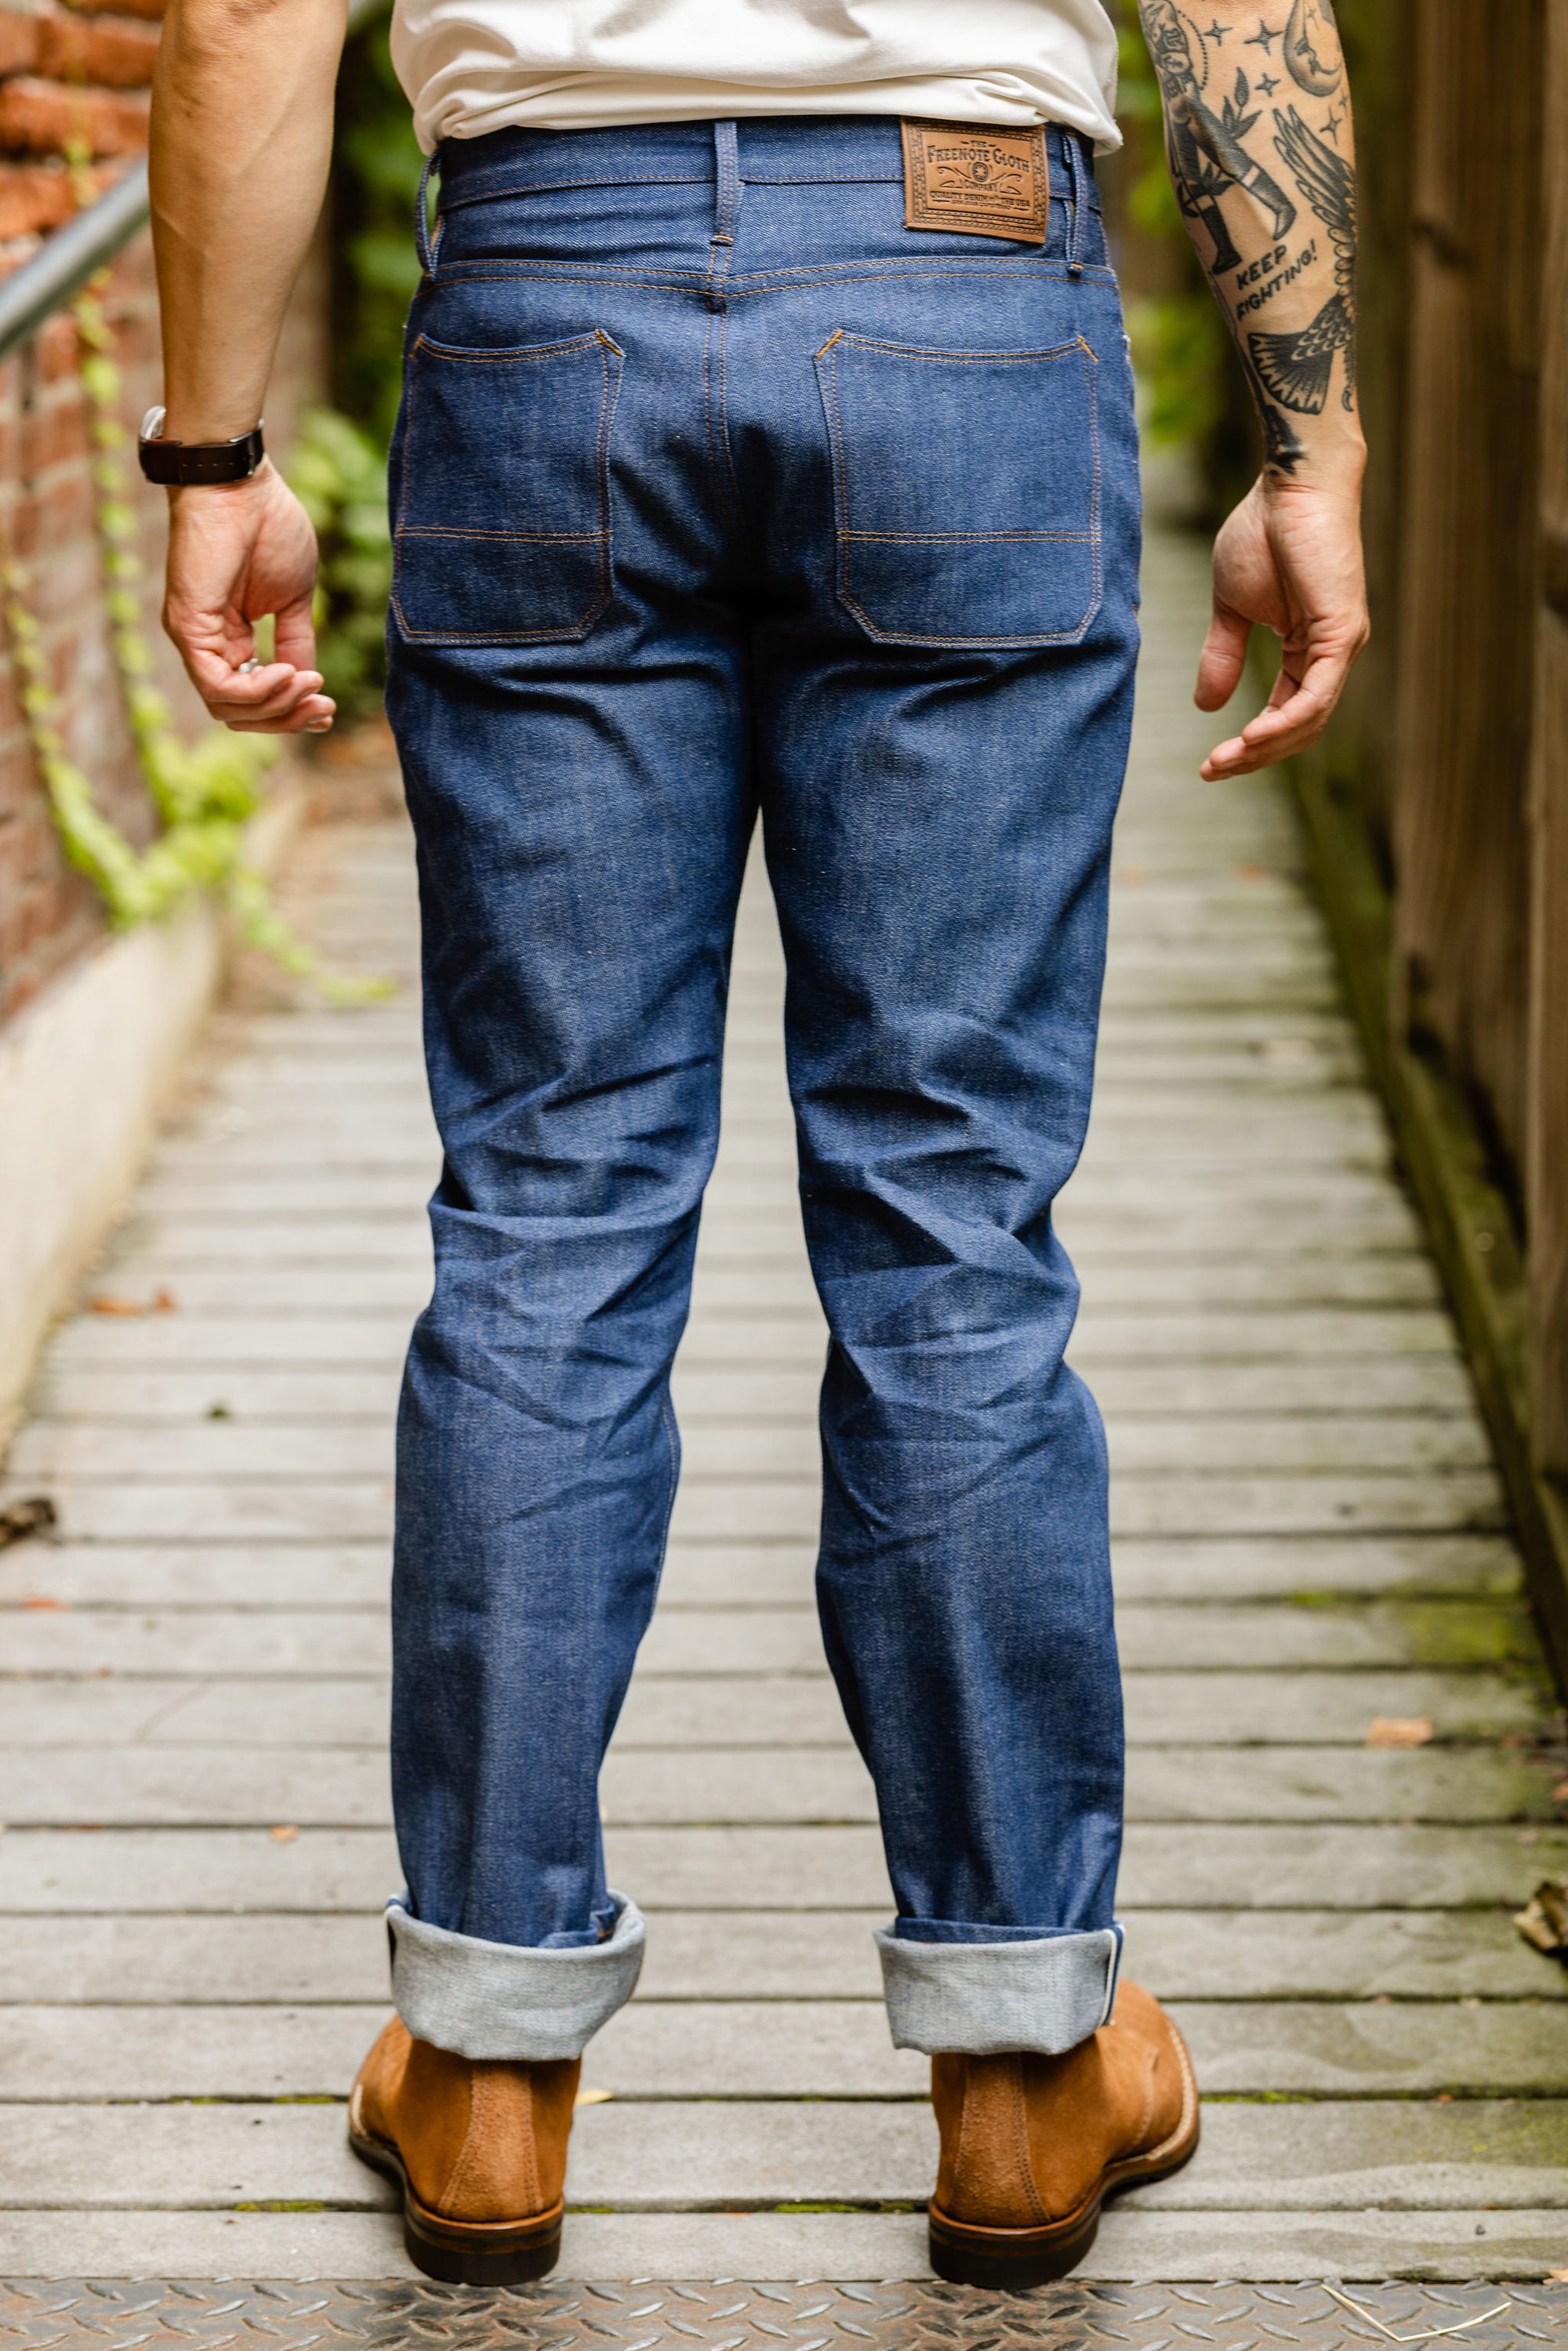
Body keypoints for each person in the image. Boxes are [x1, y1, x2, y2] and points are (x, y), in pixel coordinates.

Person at [147, 0, 1367, 2289]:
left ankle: (491, 2071)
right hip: (962, 289)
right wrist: (1310, 437)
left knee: (549, 1207)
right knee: (952, 1222)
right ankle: (1022, 2071)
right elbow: (1235, 18)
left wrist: (213, 453)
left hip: (544, 300)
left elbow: (236, 22)